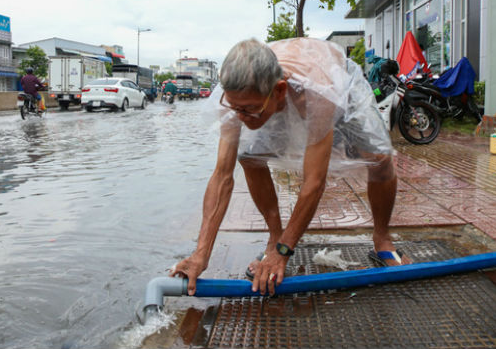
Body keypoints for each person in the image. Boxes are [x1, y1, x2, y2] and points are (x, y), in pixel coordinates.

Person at [170, 38, 411, 297]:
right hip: (279, 86)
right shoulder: (235, 97)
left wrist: (286, 252)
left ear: (280, 91)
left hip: (338, 80)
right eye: (235, 108)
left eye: (249, 110)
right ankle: (274, 236)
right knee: (249, 156)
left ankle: (382, 238)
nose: (240, 117)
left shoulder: (318, 92)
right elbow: (222, 176)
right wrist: (201, 253)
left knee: (380, 160)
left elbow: (314, 181)